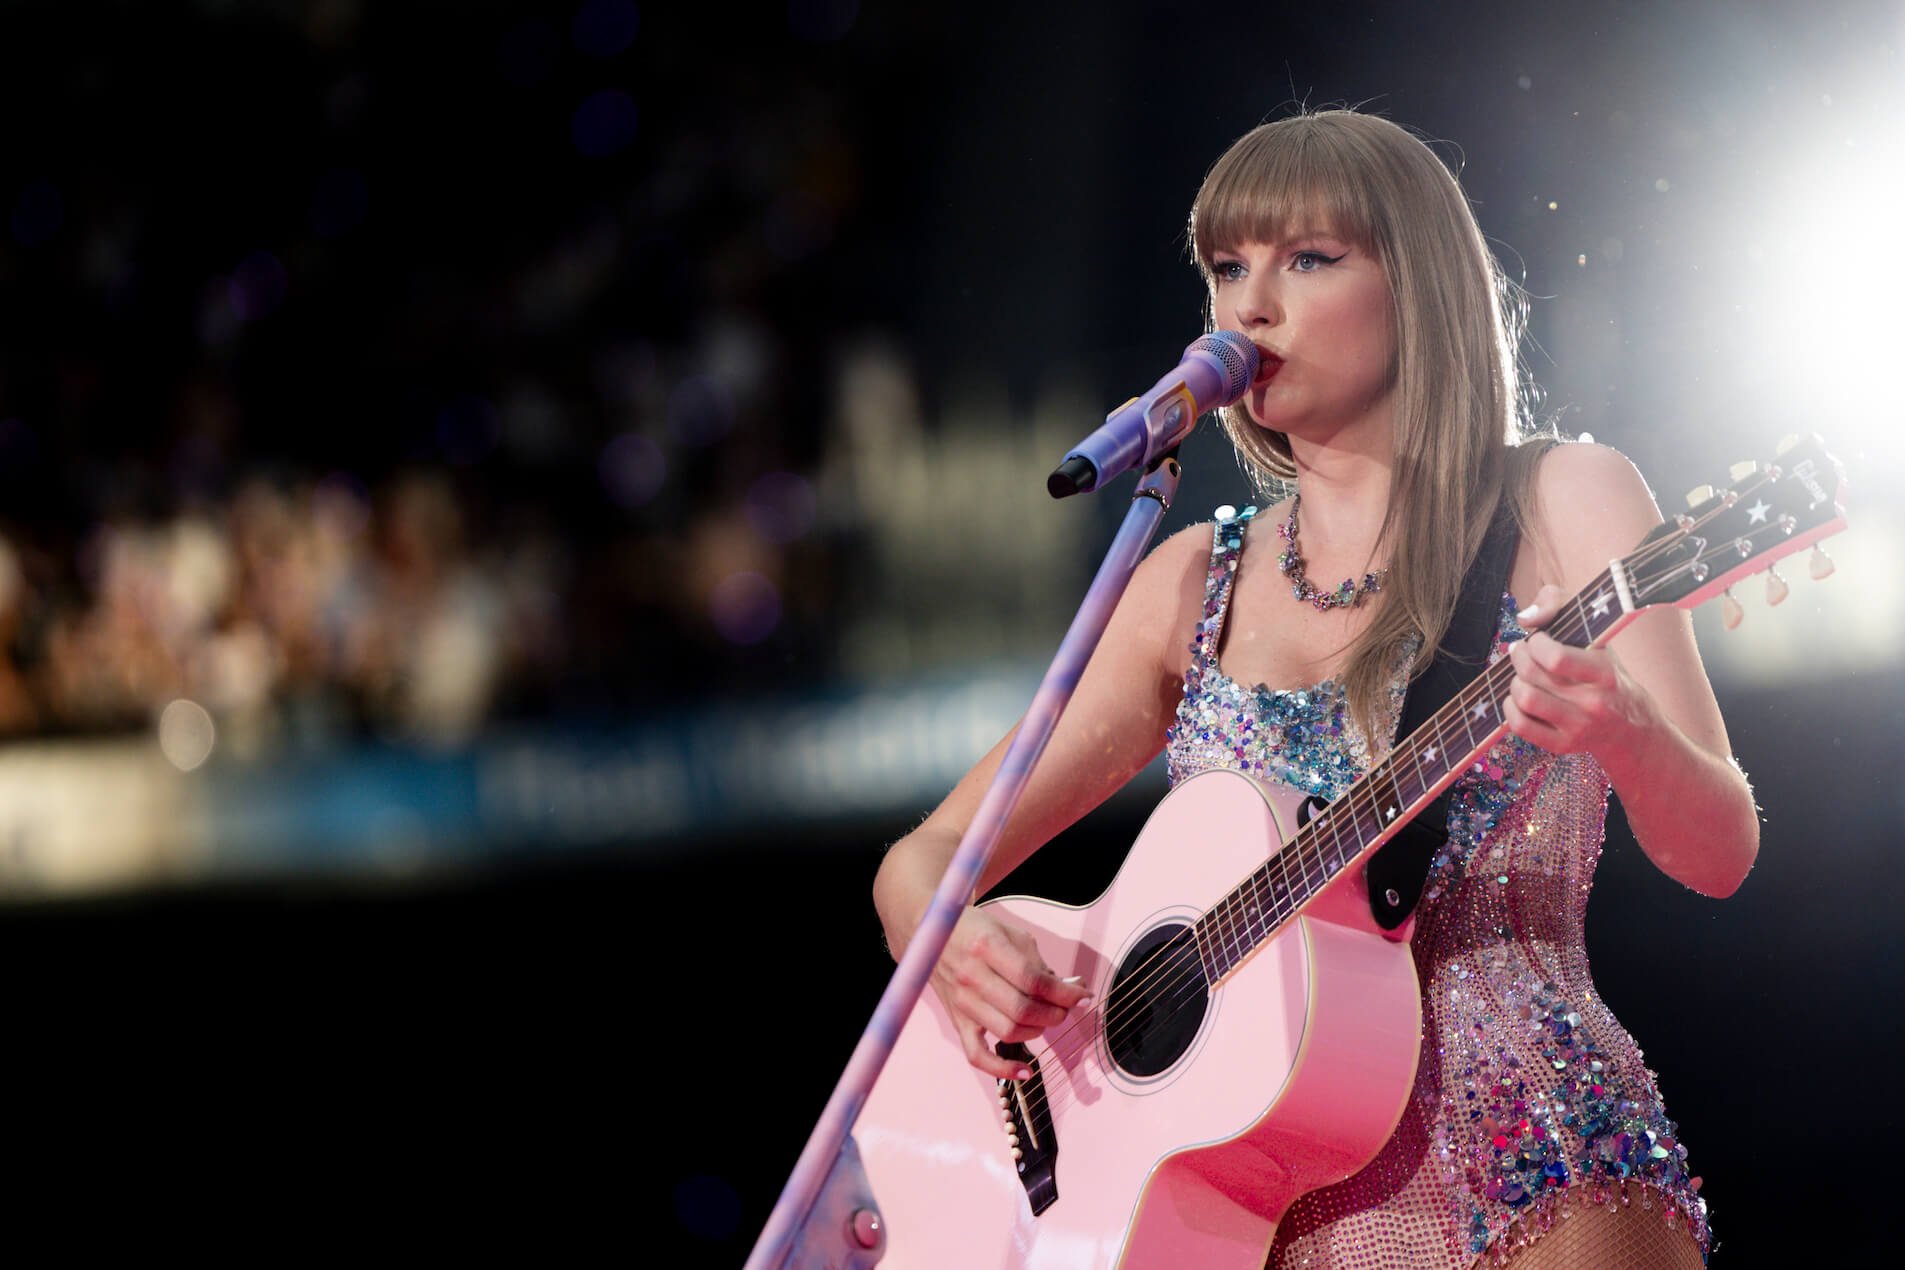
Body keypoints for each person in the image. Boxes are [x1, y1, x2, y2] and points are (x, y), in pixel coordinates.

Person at [871, 109, 1757, 1267]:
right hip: (1261, 1206)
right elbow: (924, 859)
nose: (1249, 305)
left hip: (1531, 1156)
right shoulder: (1191, 579)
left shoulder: (1562, 496)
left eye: (1307, 259)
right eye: (1228, 269)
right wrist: (951, 939)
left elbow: (1721, 845)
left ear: (1419, 285)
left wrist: (1629, 734)